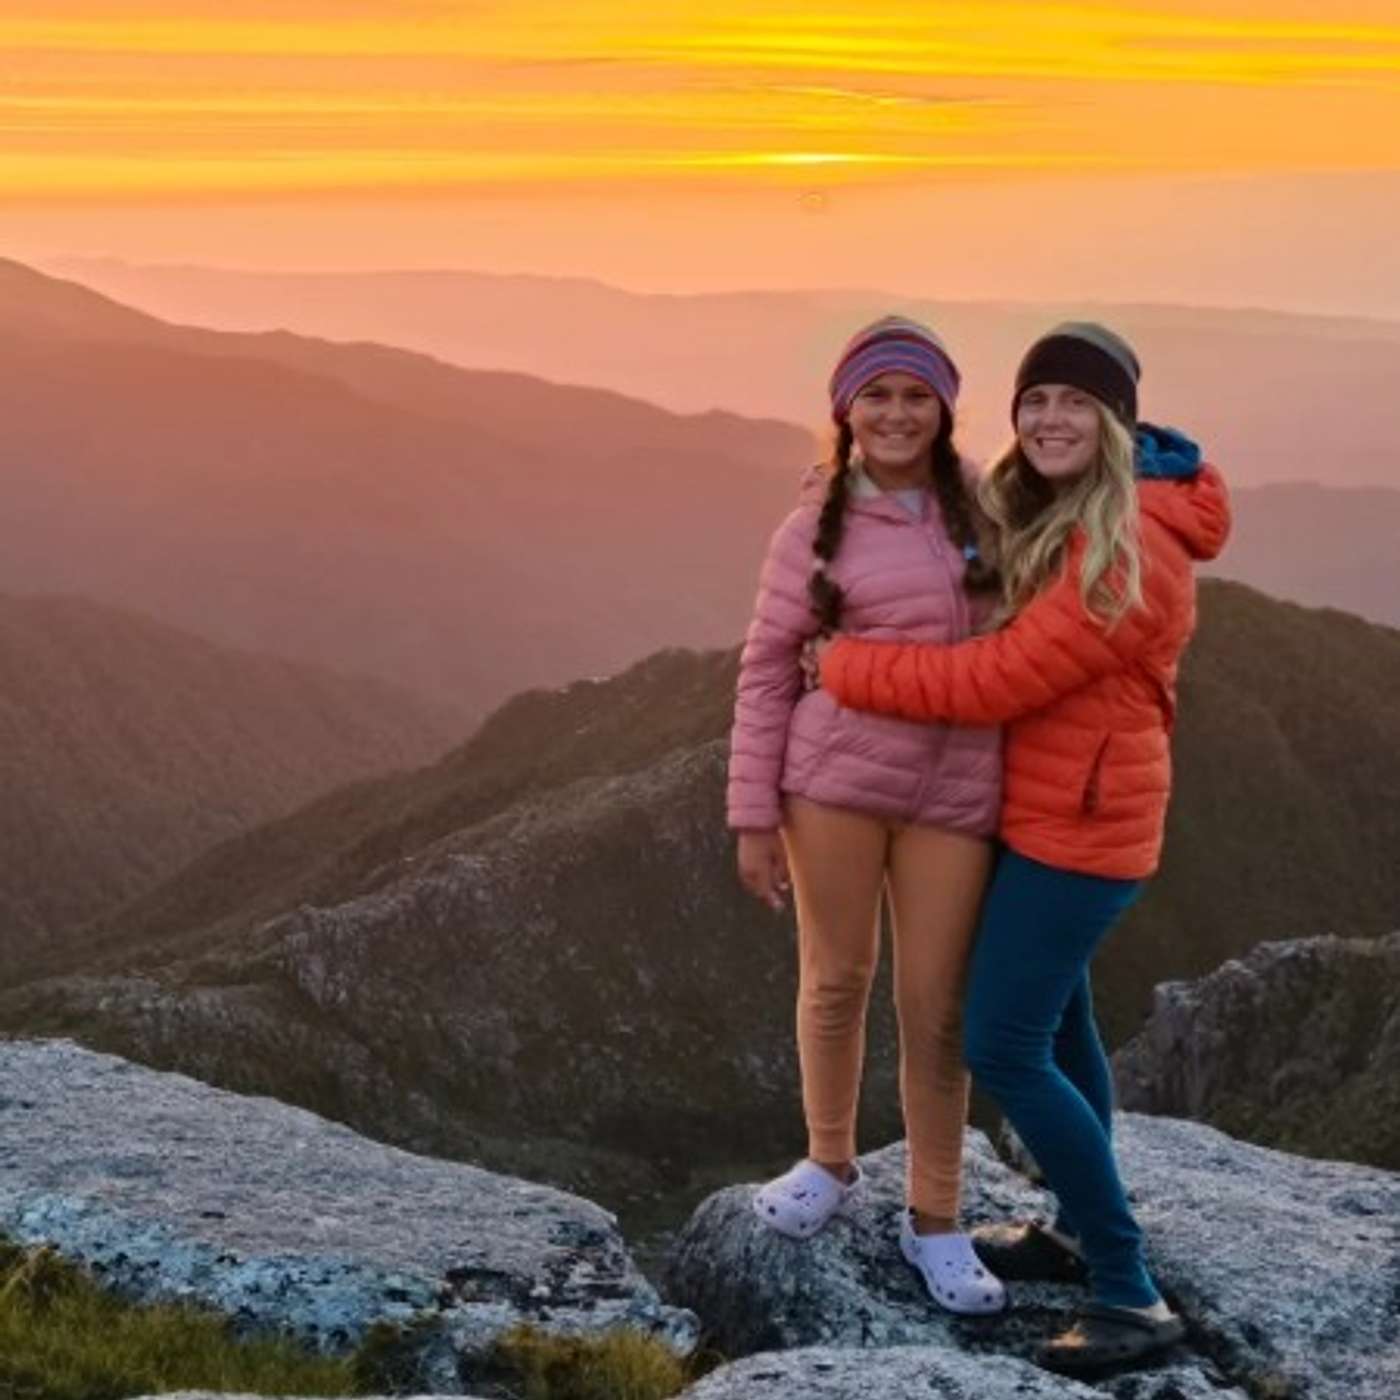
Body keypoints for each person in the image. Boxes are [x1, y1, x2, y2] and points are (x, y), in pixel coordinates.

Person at [819, 321, 1230, 1374]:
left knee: (1002, 1044)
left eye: (1073, 404)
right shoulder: (1070, 512)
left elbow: (995, 679)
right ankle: (1075, 1227)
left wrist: (843, 665)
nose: (1048, 419)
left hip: (1082, 832)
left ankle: (1128, 1290)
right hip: (1053, 813)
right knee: (1063, 1028)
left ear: (1114, 424)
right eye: (1033, 399)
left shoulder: (1128, 546)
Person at [727, 316, 1006, 1315]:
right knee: (834, 976)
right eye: (876, 394)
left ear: (941, 410)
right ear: (845, 411)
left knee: (935, 1007)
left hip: (954, 792)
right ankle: (828, 1160)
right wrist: (751, 813)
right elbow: (765, 667)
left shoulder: (987, 513)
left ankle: (935, 1217)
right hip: (831, 783)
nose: (895, 413)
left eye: (914, 395)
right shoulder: (812, 524)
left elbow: (1026, 643)